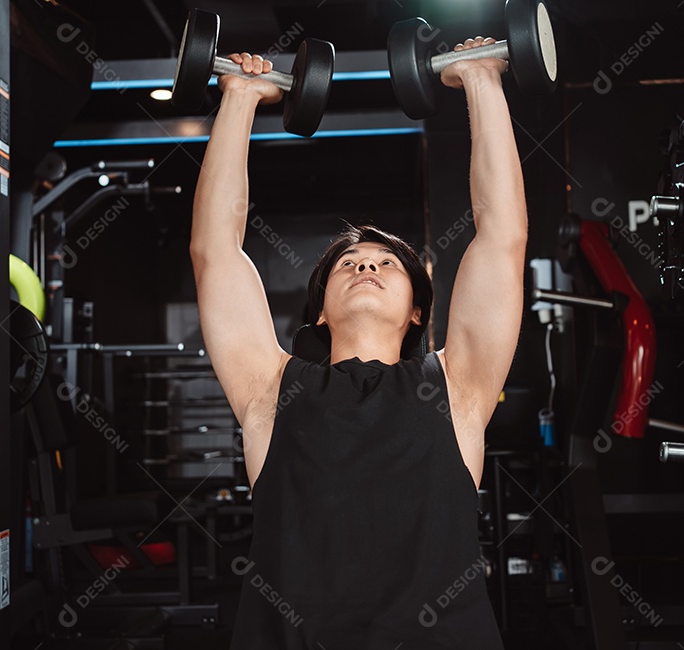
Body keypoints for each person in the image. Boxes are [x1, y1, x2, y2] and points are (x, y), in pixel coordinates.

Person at [191, 36, 527, 650]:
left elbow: (501, 237)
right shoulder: (270, 388)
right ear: (319, 311)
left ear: (418, 310)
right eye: (348, 263)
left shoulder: (459, 387)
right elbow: (215, 252)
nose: (366, 267)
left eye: (387, 264)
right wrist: (239, 99)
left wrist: (482, 80)